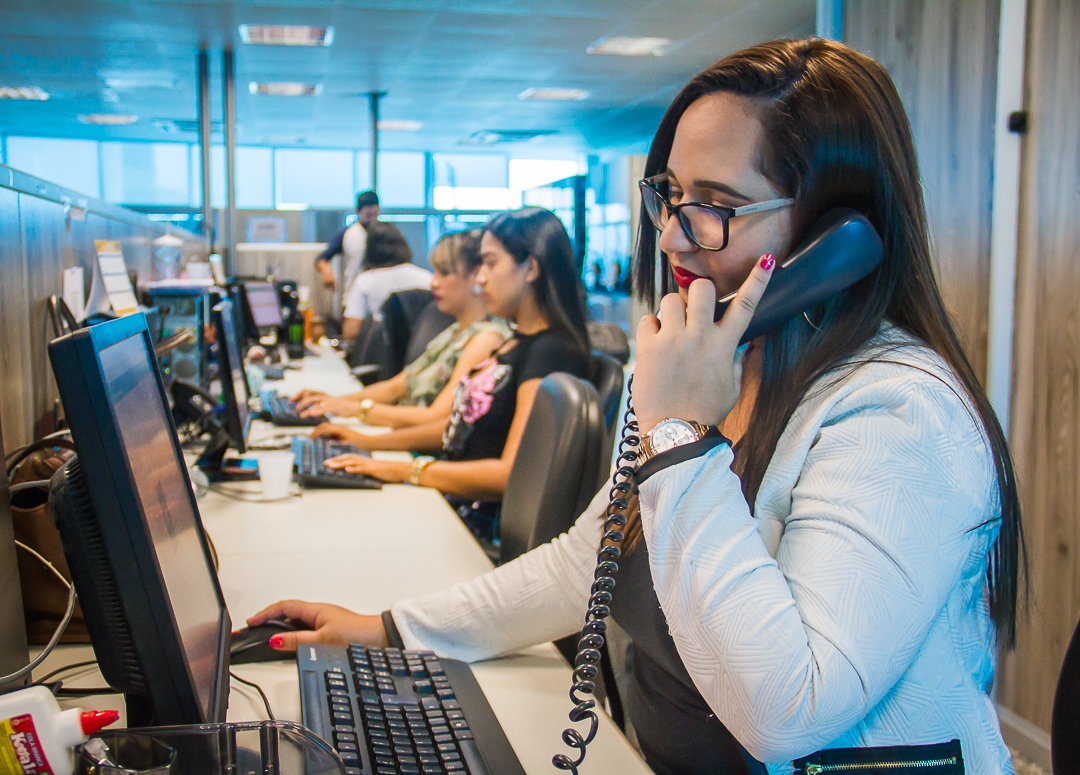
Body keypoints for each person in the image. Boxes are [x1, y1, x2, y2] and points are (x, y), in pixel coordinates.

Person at [249, 39, 1025, 775]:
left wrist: (681, 439)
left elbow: (787, 709)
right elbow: (587, 561)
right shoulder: (709, 365)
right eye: (670, 196)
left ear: (836, 236)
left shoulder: (898, 411)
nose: (674, 238)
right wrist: (391, 628)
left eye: (715, 204)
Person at [311, 207, 592, 543]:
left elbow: (509, 473)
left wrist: (403, 469)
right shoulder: (517, 342)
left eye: (490, 263)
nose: (481, 277)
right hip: (448, 500)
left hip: (472, 526)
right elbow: (452, 427)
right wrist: (366, 443)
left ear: (530, 268)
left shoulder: (550, 352)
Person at [291, 229, 512, 424]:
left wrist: (354, 410)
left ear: (476, 275)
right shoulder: (454, 332)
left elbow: (437, 418)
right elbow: (397, 387)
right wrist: (334, 401)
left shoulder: (486, 338)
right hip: (400, 429)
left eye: (444, 273)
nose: (433, 282)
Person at [340, 222, 432, 341]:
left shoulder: (365, 281)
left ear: (369, 250)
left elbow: (350, 331)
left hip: (380, 356)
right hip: (422, 351)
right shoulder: (426, 277)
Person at [315, 190, 380, 323]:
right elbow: (322, 258)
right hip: (352, 298)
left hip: (378, 298)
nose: (369, 212)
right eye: (365, 208)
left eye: (373, 207)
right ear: (358, 210)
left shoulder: (385, 233)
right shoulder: (349, 233)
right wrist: (327, 271)